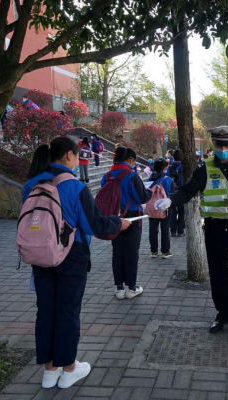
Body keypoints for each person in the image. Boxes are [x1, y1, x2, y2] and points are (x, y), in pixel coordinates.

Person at [24, 137, 131, 389]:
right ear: (70, 156)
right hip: (71, 256)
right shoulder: (74, 186)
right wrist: (120, 223)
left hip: (39, 255)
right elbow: (94, 225)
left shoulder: (30, 183)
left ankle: (49, 372)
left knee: (46, 310)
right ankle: (70, 369)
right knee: (68, 311)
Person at [154, 126, 228, 340]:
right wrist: (171, 200)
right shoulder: (204, 168)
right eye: (220, 145)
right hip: (215, 230)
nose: (224, 149)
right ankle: (223, 315)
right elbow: (188, 190)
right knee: (218, 275)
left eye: (227, 145)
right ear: (213, 145)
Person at [101, 147, 152, 300]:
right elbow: (142, 197)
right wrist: (149, 192)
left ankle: (119, 288)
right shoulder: (132, 176)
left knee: (117, 252)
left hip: (113, 217)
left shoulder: (107, 175)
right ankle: (131, 287)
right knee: (131, 252)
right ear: (130, 160)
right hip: (132, 218)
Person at [147, 158, 175, 259]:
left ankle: (153, 252)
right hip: (165, 208)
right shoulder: (168, 179)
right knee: (165, 229)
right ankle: (165, 252)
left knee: (152, 230)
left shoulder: (150, 179)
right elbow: (172, 193)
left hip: (152, 207)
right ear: (164, 167)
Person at [167, 149, 185, 237]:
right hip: (182, 192)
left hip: (172, 192)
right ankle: (181, 230)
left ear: (173, 157)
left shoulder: (170, 167)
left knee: (173, 211)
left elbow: (167, 179)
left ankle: (173, 230)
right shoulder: (184, 166)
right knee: (182, 211)